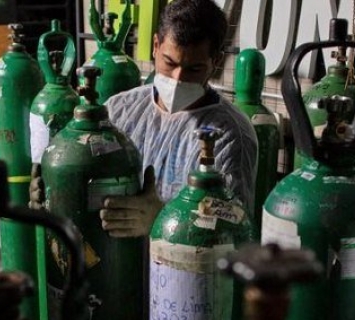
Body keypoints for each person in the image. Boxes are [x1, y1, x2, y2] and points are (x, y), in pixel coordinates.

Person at [98, 0, 258, 238]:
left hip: (180, 270)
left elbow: (233, 231)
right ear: (155, 45)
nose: (177, 78)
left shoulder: (230, 135)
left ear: (216, 62)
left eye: (194, 69)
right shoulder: (119, 110)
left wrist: (164, 219)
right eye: (169, 63)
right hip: (116, 264)